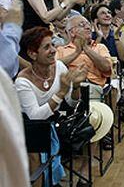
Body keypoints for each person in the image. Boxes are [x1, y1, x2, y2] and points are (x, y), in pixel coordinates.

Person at [16, 27, 87, 186]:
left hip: (50, 125)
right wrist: (60, 93)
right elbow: (35, 116)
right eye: (46, 47)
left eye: (52, 45)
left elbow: (71, 103)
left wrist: (75, 87)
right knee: (36, 156)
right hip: (27, 129)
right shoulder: (22, 82)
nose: (53, 50)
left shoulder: (60, 67)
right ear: (32, 54)